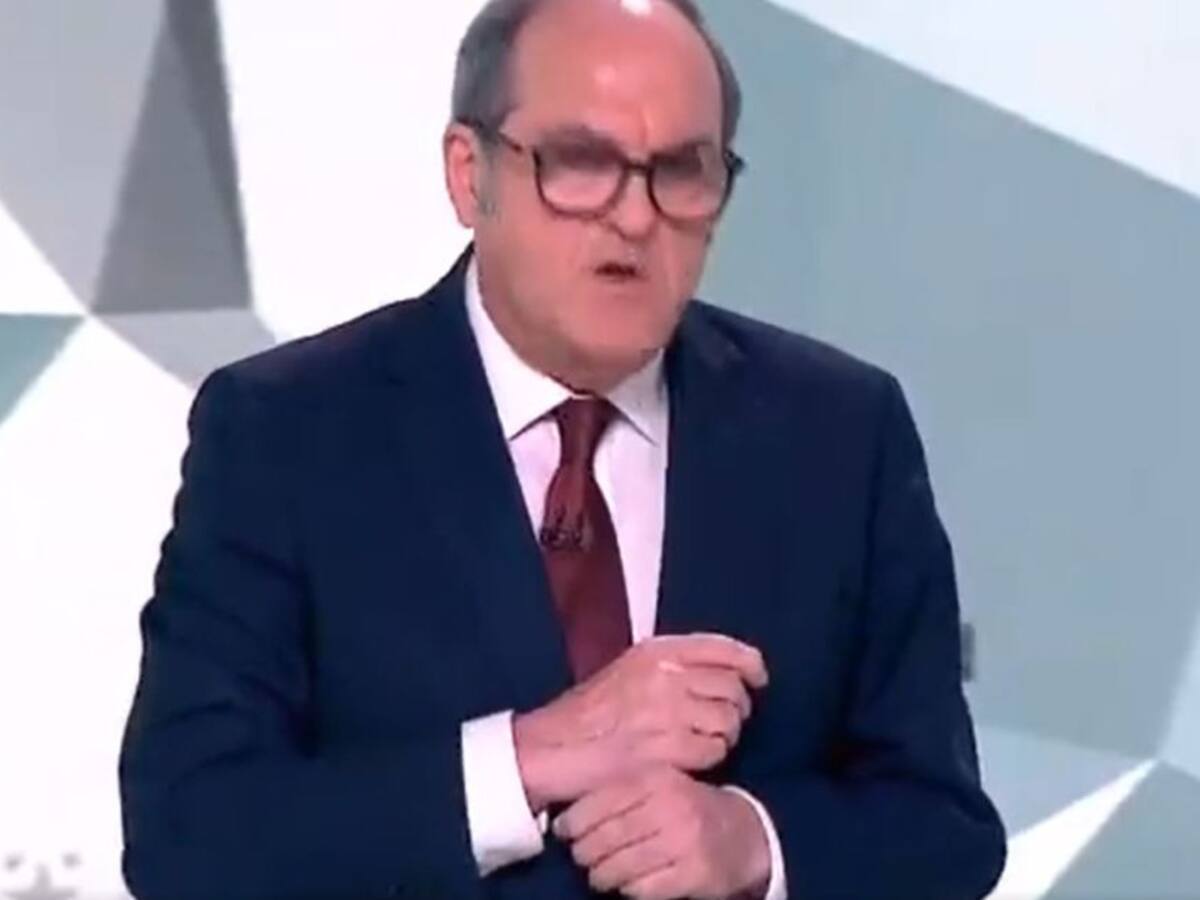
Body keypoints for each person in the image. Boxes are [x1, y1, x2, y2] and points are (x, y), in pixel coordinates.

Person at [118, 0, 1006, 897]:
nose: (635, 217)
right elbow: (189, 840)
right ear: (470, 175)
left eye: (681, 170)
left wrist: (754, 843)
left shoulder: (839, 435)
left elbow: (943, 829)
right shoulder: (286, 434)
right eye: (581, 162)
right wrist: (531, 757)